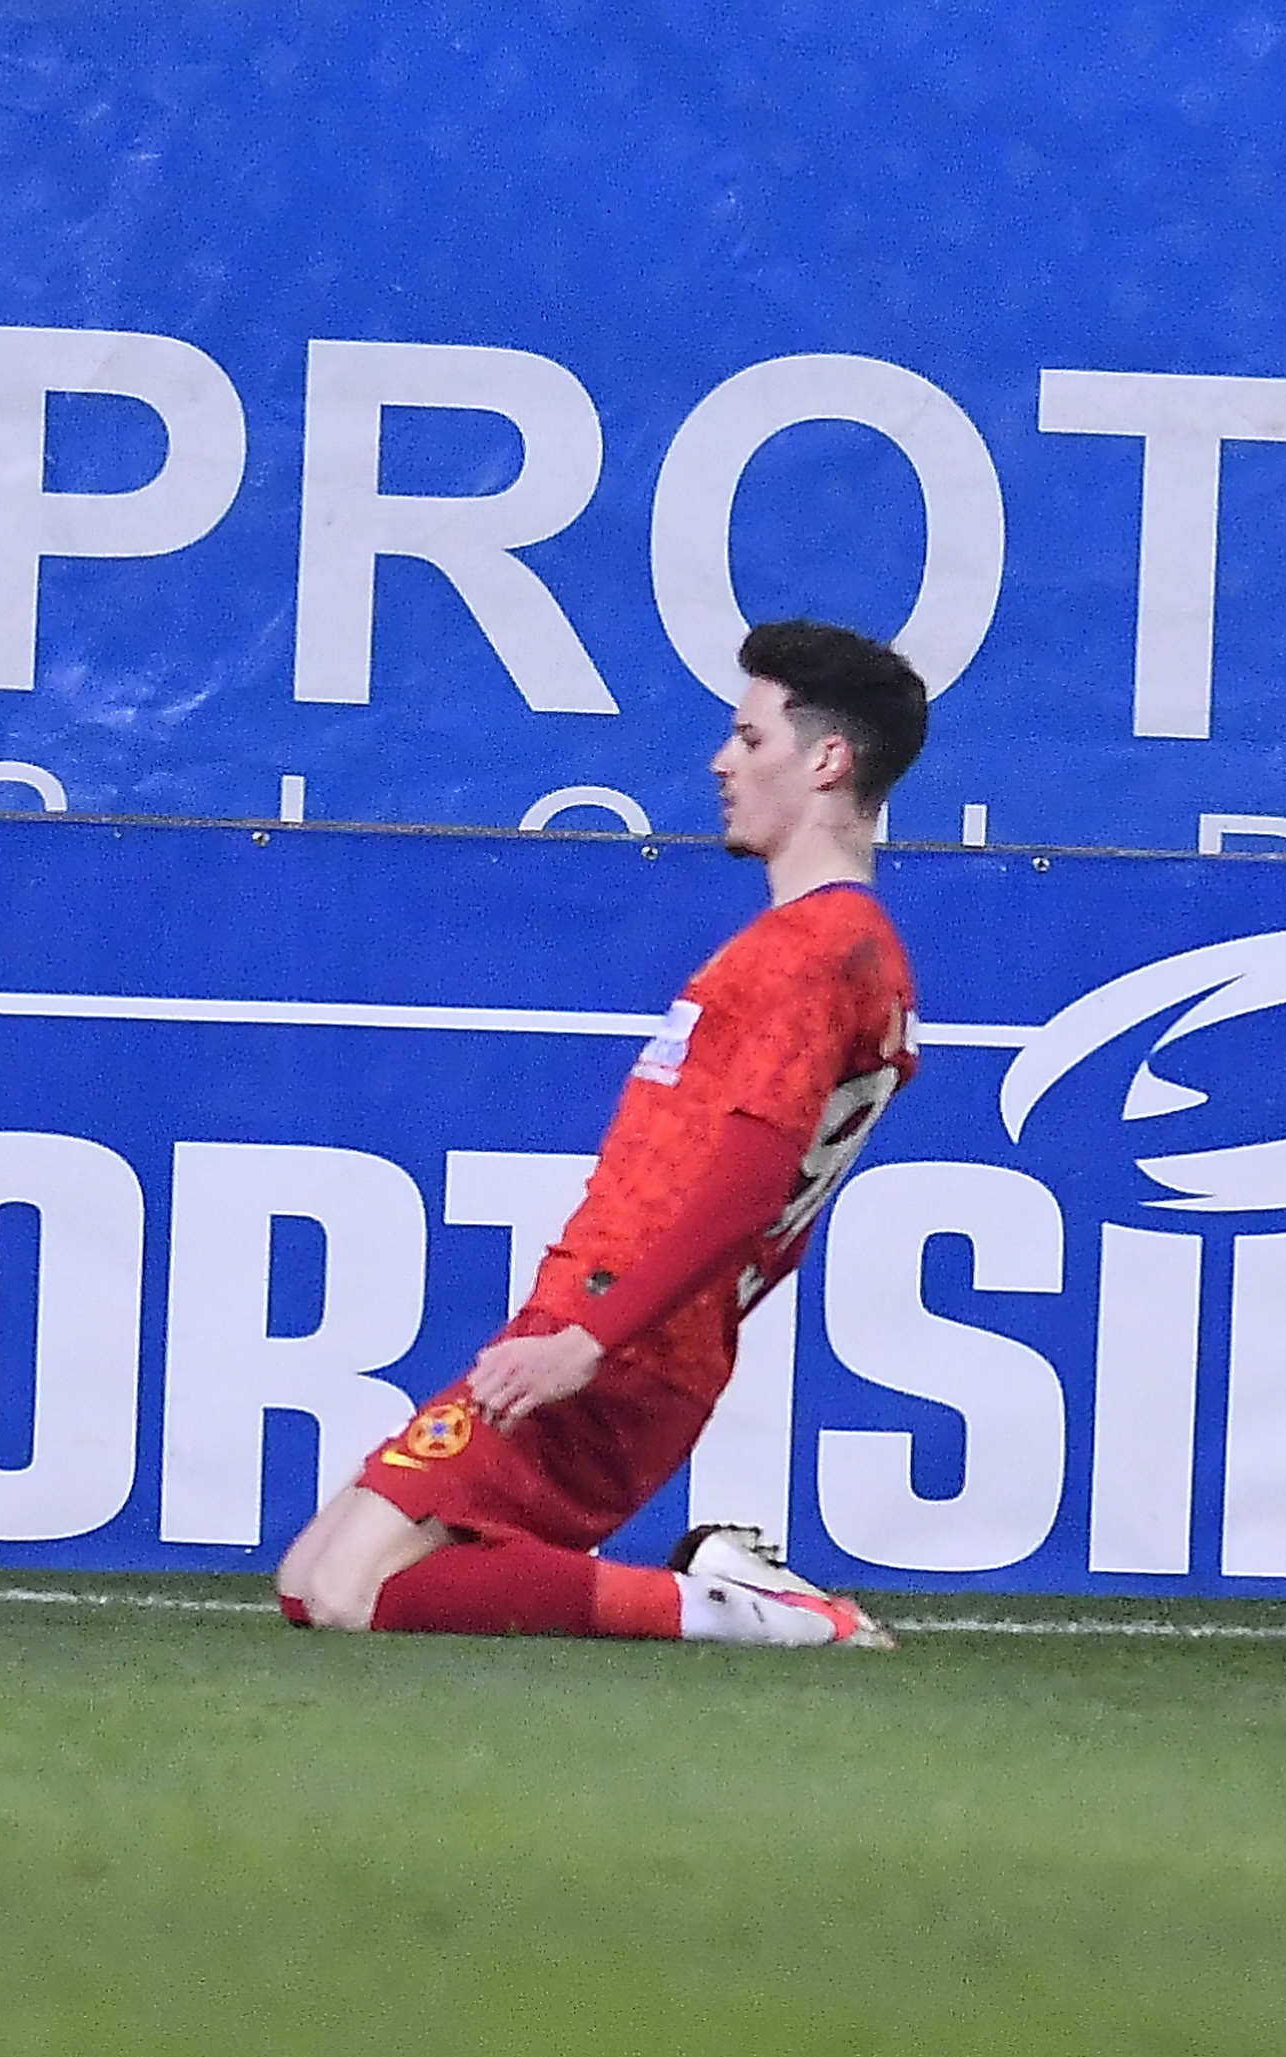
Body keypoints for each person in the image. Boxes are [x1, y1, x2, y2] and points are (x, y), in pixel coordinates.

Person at [277, 620, 926, 1649]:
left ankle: (732, 1612)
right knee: (316, 1576)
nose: (722, 761)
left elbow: (752, 1182)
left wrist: (591, 1339)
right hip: (611, 1324)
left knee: (350, 1589)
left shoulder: (817, 951)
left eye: (750, 739)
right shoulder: (838, 951)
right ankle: (713, 1602)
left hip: (621, 1335)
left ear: (827, 760)